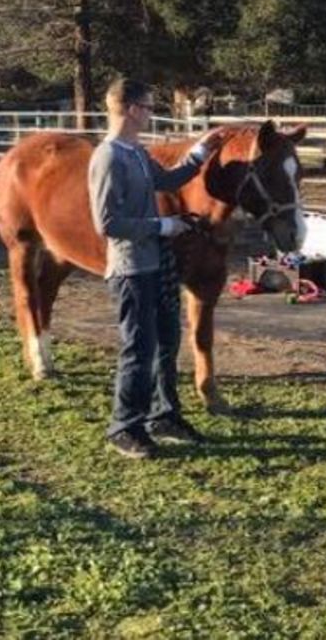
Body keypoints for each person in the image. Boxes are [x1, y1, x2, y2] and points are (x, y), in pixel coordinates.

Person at [88, 78, 224, 460]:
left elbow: (166, 180)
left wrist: (200, 152)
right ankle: (124, 427)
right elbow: (107, 223)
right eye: (148, 107)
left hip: (155, 263)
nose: (151, 113)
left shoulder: (135, 152)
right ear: (131, 109)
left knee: (166, 341)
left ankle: (164, 416)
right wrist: (163, 227)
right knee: (138, 349)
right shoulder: (109, 157)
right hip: (131, 268)